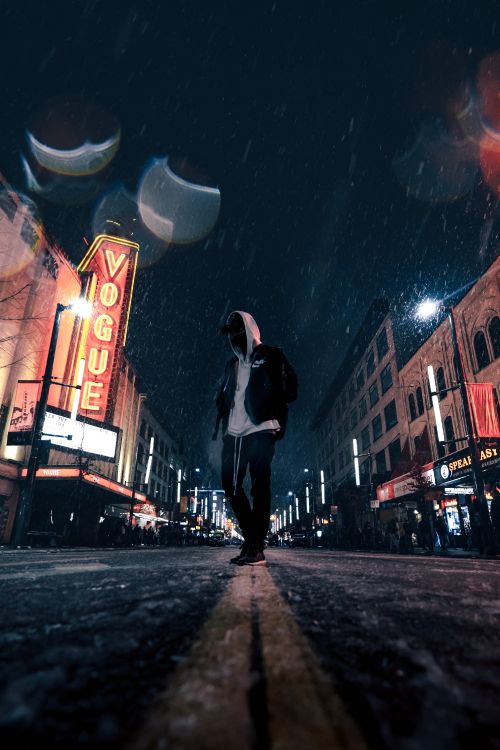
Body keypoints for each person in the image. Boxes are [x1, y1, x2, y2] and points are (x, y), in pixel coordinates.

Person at [214, 311, 297, 566]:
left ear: (250, 330)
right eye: (231, 333)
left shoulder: (271, 355)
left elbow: (291, 390)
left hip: (262, 428)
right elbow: (226, 395)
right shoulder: (232, 364)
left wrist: (273, 398)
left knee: (259, 486)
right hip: (234, 433)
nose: (235, 337)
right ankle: (252, 538)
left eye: (239, 330)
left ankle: (256, 546)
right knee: (231, 485)